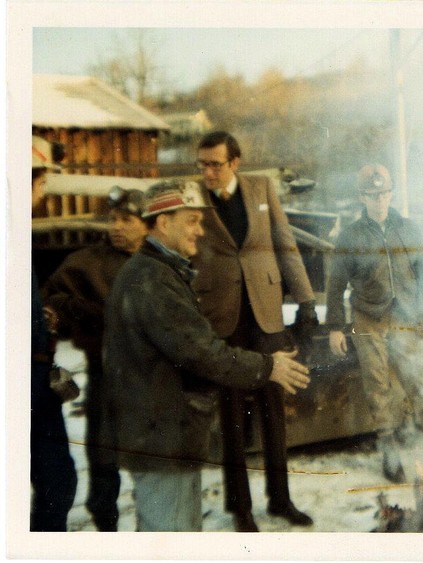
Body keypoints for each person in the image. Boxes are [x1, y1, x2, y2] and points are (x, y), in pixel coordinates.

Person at [102, 179, 310, 532]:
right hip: (162, 439)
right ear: (164, 223)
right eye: (192, 221)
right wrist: (268, 367)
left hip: (165, 434)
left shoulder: (160, 271)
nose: (200, 231)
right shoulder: (154, 280)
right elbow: (202, 352)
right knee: (171, 536)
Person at [192, 131, 318, 531]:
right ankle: (240, 507)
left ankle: (280, 500)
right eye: (203, 164)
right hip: (223, 319)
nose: (208, 171)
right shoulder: (194, 195)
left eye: (215, 164)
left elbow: (284, 244)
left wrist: (306, 299)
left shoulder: (261, 188)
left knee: (273, 410)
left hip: (266, 315)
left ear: (235, 162)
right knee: (230, 415)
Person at [326, 164, 423, 483]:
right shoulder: (350, 236)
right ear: (362, 197)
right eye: (372, 194)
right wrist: (335, 327)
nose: (380, 200)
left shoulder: (408, 229)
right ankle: (388, 448)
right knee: (377, 383)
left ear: (392, 193)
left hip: (405, 316)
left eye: (385, 193)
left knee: (415, 375)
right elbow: (335, 284)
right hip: (368, 317)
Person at [42, 186, 148, 531]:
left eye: (126, 221)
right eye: (113, 220)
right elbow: (47, 298)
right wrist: (83, 312)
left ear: (147, 224)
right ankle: (105, 520)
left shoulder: (160, 260)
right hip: (107, 371)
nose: (116, 227)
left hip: (155, 373)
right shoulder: (88, 262)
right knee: (104, 450)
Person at [30, 135, 78, 531]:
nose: (44, 193)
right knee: (57, 482)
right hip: (27, 382)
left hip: (32, 372)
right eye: (43, 183)